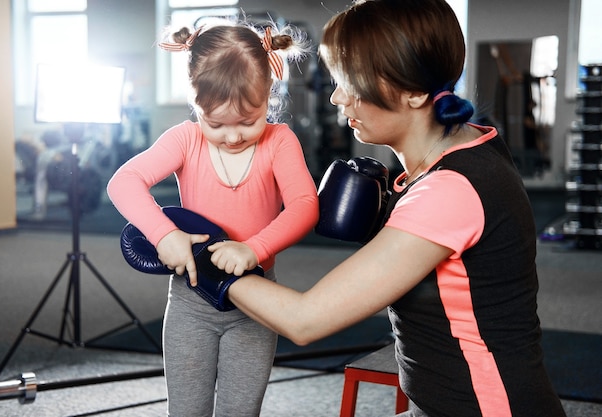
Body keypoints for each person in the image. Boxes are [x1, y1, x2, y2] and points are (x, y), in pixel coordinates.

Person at [208, 1, 567, 416]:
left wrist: (202, 258)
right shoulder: (472, 145)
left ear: (414, 92)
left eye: (351, 84)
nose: (338, 98)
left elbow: (303, 321)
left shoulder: (448, 192)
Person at [107, 21, 318, 416]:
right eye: (216, 123)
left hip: (257, 305)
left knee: (241, 410)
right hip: (191, 300)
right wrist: (163, 234)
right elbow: (124, 182)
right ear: (195, 103)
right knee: (187, 410)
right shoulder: (184, 139)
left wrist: (255, 248)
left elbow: (305, 204)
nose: (233, 136)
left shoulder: (280, 141)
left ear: (268, 95)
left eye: (248, 121)